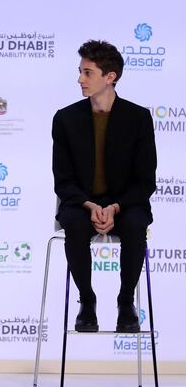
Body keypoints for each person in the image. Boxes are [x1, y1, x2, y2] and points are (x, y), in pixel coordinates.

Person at [52, 40, 156, 333]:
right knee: (71, 222)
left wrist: (114, 207)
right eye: (80, 72)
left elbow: (145, 180)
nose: (80, 79)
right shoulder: (66, 118)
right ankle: (87, 301)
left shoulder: (138, 118)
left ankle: (126, 303)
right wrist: (91, 205)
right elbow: (63, 179)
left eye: (88, 73)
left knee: (136, 224)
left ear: (110, 77)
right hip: (83, 204)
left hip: (125, 204)